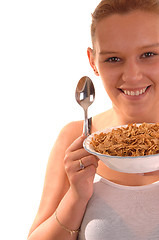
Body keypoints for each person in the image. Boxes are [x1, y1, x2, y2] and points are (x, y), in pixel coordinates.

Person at [27, 0, 159, 239]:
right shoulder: (76, 139)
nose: (132, 75)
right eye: (113, 59)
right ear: (93, 62)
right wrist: (76, 197)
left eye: (149, 54)